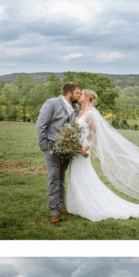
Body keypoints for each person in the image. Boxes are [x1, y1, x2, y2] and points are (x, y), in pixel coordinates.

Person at [65, 89, 139, 221]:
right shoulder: (81, 112)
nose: (79, 96)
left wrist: (87, 146)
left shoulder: (90, 114)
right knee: (75, 173)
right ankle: (78, 205)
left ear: (87, 98)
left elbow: (96, 133)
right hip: (77, 147)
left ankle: (89, 205)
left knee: (82, 173)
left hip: (83, 148)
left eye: (82, 95)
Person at [36, 83, 81, 223]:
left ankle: (61, 204)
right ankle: (54, 211)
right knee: (54, 177)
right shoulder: (52, 103)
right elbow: (41, 125)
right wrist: (44, 147)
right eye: (77, 93)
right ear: (69, 93)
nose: (79, 96)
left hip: (67, 149)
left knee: (61, 177)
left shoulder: (76, 107)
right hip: (51, 147)